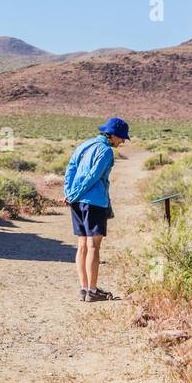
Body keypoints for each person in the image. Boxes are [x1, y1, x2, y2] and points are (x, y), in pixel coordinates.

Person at [63, 117, 130, 302]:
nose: (122, 141)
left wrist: (69, 193)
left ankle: (84, 289)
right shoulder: (106, 151)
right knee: (93, 246)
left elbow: (70, 169)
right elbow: (93, 176)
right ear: (112, 135)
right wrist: (74, 194)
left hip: (77, 202)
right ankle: (92, 291)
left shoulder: (84, 145)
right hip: (94, 202)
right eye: (122, 137)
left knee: (82, 245)